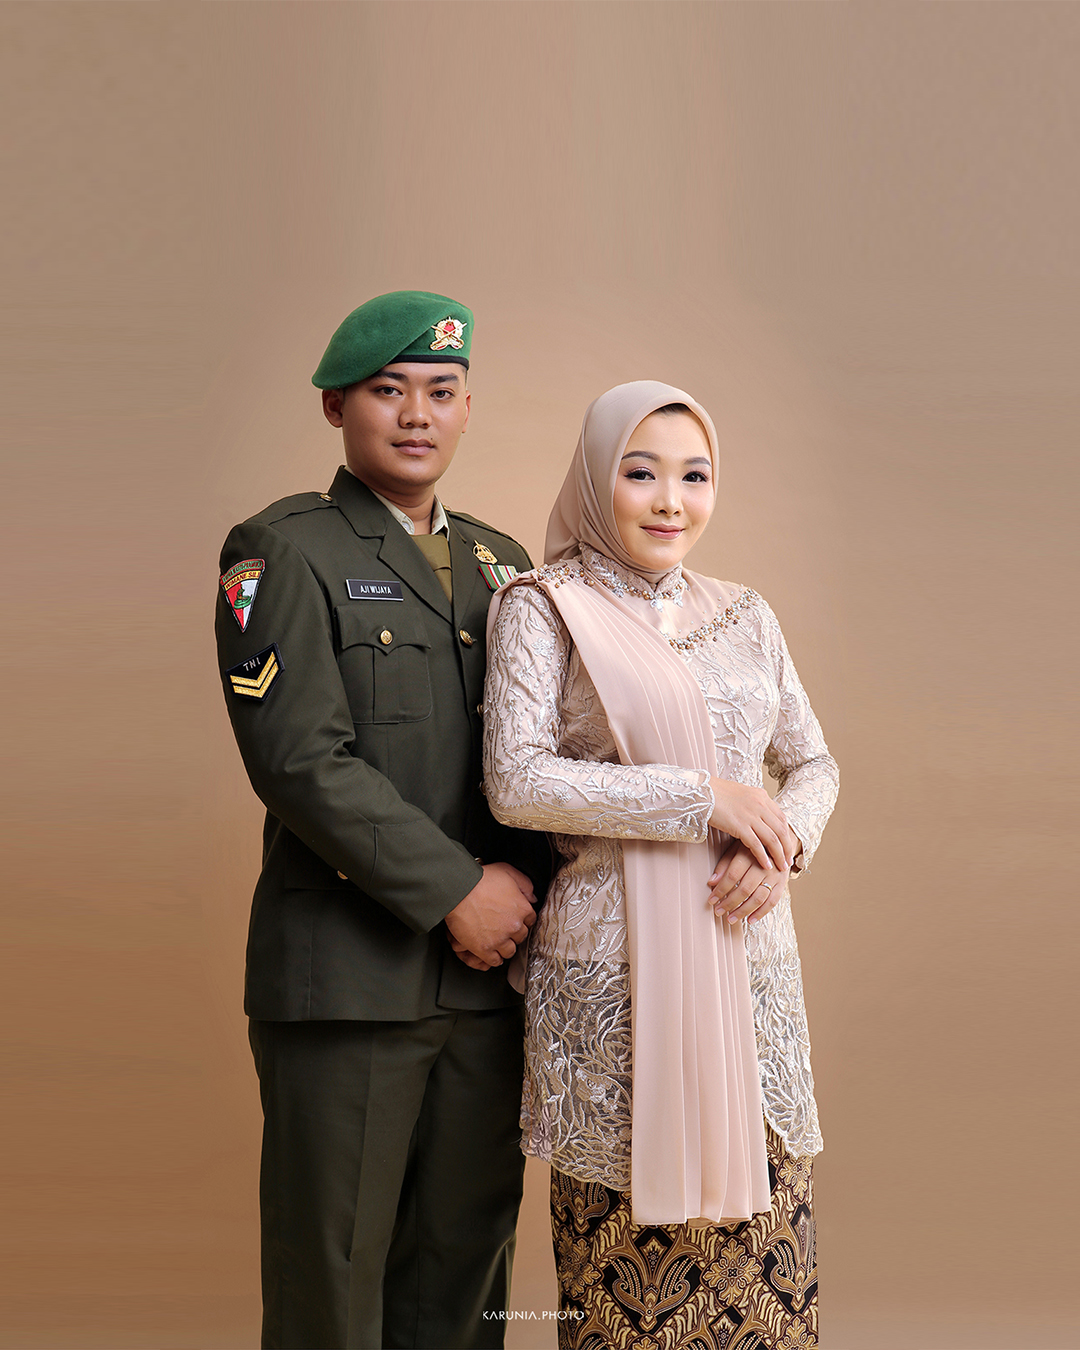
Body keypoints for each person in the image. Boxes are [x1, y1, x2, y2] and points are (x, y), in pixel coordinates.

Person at [215, 290, 550, 1350]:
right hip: (350, 985)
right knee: (335, 1287)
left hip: (489, 992)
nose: (417, 414)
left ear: (466, 408)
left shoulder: (507, 567)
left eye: (440, 393)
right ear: (335, 408)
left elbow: (539, 765)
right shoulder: (282, 548)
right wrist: (459, 891)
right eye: (387, 390)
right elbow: (300, 760)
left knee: (465, 1280)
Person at [480, 381, 839, 1349]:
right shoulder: (542, 607)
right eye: (640, 474)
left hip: (747, 966)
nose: (670, 501)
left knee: (764, 1285)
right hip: (619, 984)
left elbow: (813, 762)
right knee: (622, 1292)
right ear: (598, 481)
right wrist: (705, 799)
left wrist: (784, 844)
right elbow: (515, 782)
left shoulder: (746, 615)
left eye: (694, 476)